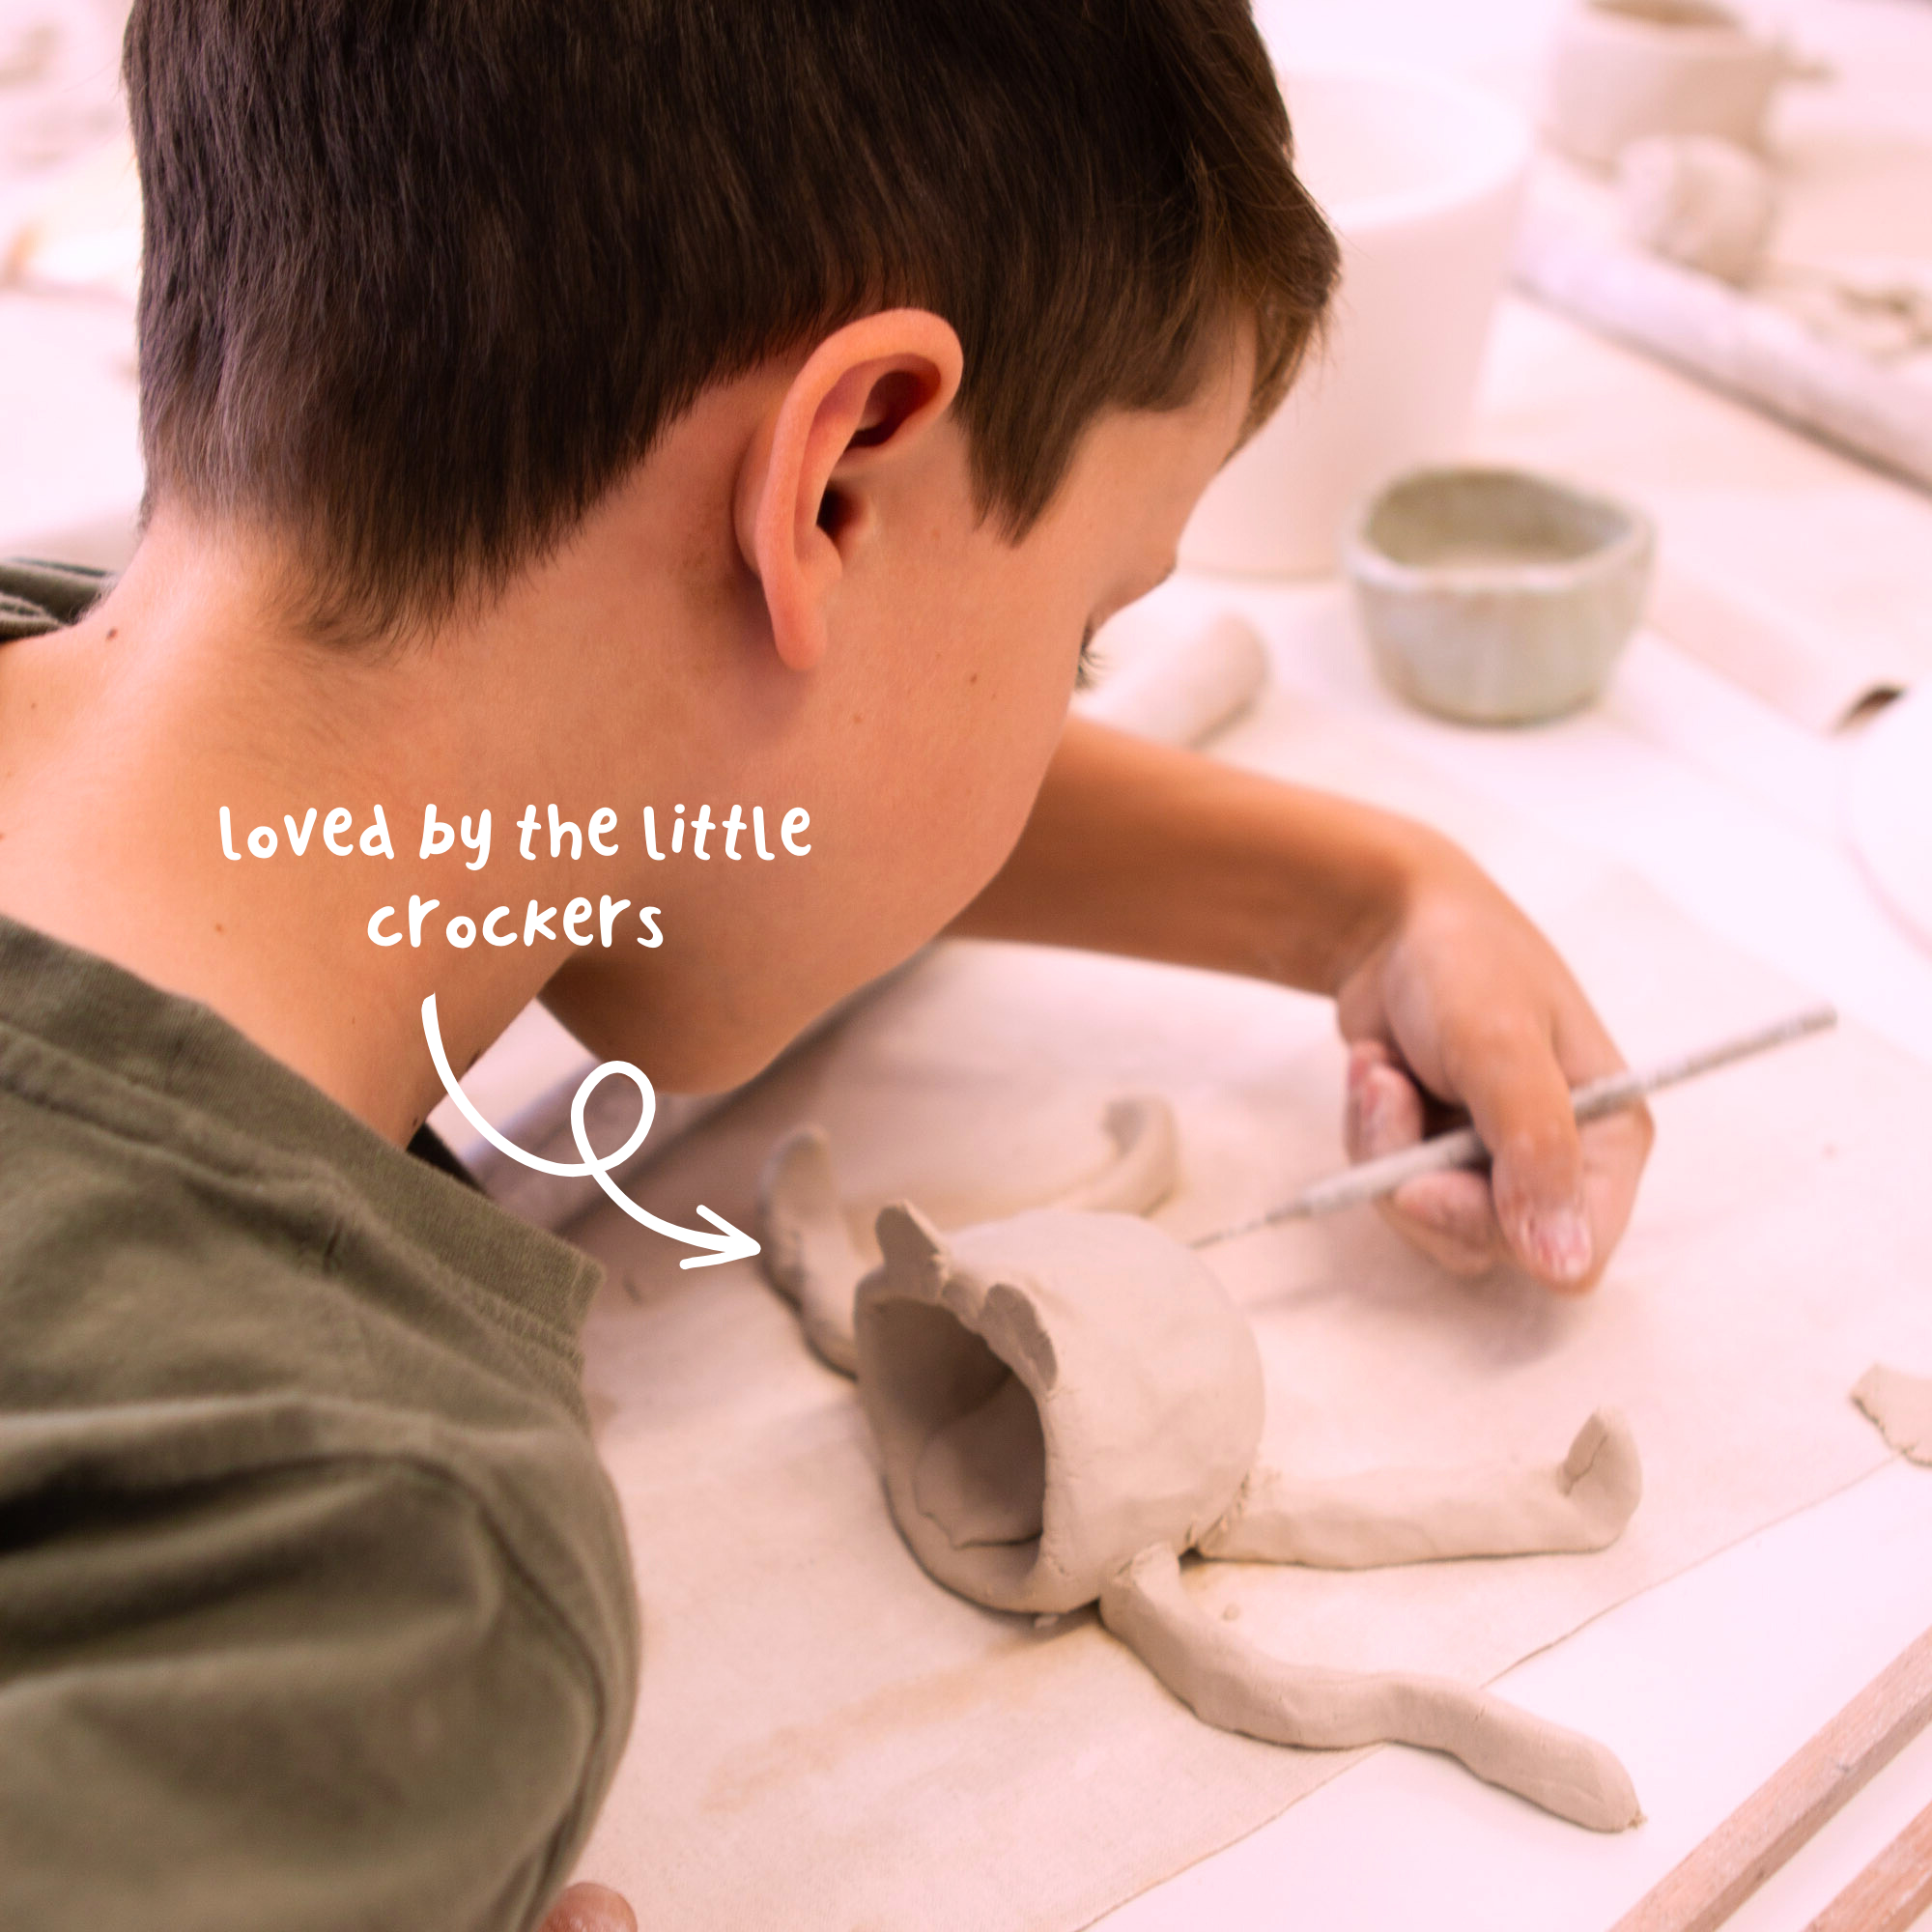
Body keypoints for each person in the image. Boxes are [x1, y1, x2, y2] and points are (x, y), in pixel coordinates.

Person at [0, 1, 1652, 1926]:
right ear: (840, 479)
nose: (1057, 709)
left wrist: (1360, 892)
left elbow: (706, 742)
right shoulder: (365, 1569)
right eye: (1084, 640)